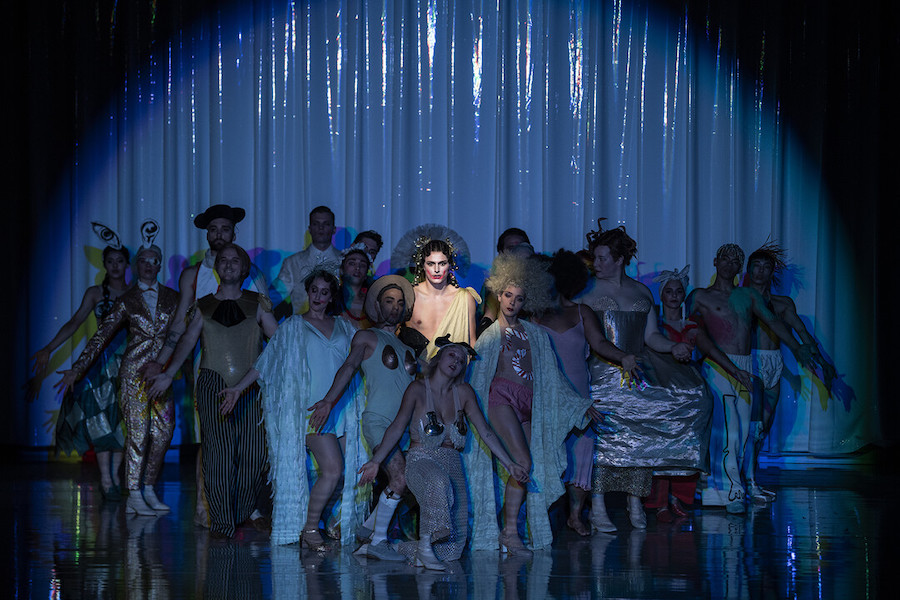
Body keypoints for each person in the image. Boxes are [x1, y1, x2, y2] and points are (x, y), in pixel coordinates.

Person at [139, 203, 268, 528]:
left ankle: (244, 504)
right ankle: (205, 504)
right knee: (211, 438)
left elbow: (267, 325)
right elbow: (181, 326)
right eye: (213, 229)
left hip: (250, 363)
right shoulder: (194, 275)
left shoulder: (252, 274)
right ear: (207, 234)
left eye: (225, 228)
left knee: (249, 440)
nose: (219, 234)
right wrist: (163, 365)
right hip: (208, 362)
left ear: (234, 233)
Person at [358, 337, 529, 570]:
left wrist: (511, 465)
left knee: (450, 552)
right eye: (452, 355)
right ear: (438, 359)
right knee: (438, 482)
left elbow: (486, 432)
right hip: (421, 461)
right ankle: (424, 549)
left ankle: (392, 548)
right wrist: (376, 461)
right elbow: (397, 427)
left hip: (452, 466)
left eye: (461, 360)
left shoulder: (464, 393)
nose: (456, 361)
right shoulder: (417, 389)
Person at [576, 220, 700, 532]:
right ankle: (598, 505)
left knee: (643, 431)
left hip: (636, 372)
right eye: (595, 257)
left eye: (602, 258)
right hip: (600, 373)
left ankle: (635, 500)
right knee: (604, 438)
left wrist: (674, 347)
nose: (596, 263)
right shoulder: (586, 291)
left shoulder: (641, 292)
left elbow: (652, 337)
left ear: (619, 260)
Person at [469, 253, 597, 553]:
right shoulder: (489, 337)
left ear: (528, 301)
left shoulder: (536, 334)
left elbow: (553, 378)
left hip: (529, 405)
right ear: (498, 295)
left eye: (519, 298)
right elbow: (478, 379)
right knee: (523, 462)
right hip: (501, 399)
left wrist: (580, 405)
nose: (512, 303)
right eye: (508, 295)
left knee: (528, 466)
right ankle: (510, 532)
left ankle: (510, 530)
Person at [56, 223, 178, 516]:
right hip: (134, 373)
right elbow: (100, 337)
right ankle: (133, 492)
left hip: (161, 374)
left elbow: (183, 334)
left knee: (163, 433)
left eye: (153, 260)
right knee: (137, 433)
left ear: (159, 264)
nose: (148, 265)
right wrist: (77, 369)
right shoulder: (126, 300)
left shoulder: (173, 298)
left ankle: (149, 487)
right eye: (143, 260)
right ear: (136, 266)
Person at [687, 243, 816, 513]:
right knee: (730, 429)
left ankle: (731, 486)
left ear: (740, 267)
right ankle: (731, 490)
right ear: (715, 261)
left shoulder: (748, 296)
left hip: (746, 366)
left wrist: (797, 348)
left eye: (735, 260)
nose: (729, 264)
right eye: (725, 259)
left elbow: (773, 322)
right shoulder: (700, 296)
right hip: (718, 366)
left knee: (746, 432)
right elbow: (685, 329)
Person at [308, 274, 418, 560]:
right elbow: (348, 367)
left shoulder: (408, 348)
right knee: (399, 477)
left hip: (405, 427)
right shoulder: (367, 337)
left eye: (400, 302)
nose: (395, 307)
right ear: (377, 306)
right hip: (379, 421)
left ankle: (368, 529)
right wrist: (328, 401)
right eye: (389, 301)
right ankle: (376, 543)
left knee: (409, 479)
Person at [532, 249, 640, 535]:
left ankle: (576, 515)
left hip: (580, 398)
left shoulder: (582, 312)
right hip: (548, 397)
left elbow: (600, 344)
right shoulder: (533, 317)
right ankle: (543, 515)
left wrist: (623, 357)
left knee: (581, 454)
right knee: (549, 455)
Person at [28, 223, 131, 500]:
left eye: (120, 261)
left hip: (128, 362)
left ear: (127, 264)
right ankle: (106, 479)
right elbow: (74, 323)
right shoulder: (95, 293)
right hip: (100, 363)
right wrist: (48, 348)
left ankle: (116, 476)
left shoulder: (136, 292)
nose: (115, 265)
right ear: (104, 265)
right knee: (100, 420)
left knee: (124, 422)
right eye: (110, 261)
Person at [742, 242, 834, 502]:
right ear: (748, 269)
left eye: (766, 267)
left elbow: (802, 333)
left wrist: (823, 363)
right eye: (756, 266)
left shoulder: (782, 304)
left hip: (774, 363)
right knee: (751, 427)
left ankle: (751, 479)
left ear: (772, 272)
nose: (760, 271)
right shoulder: (740, 299)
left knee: (763, 428)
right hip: (750, 362)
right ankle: (744, 482)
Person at [641, 266, 716, 522]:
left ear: (684, 295)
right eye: (669, 291)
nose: (674, 296)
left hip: (688, 389)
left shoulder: (693, 323)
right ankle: (659, 501)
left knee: (687, 443)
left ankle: (679, 497)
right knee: (660, 444)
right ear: (661, 294)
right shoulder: (654, 324)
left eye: (679, 291)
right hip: (661, 388)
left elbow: (707, 349)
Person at [391, 225, 480, 359]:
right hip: (415, 369)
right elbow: (392, 335)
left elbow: (471, 342)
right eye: (431, 263)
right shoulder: (410, 295)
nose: (437, 269)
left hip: (454, 368)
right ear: (423, 265)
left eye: (442, 263)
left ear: (450, 265)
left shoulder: (464, 298)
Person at [273, 206, 342, 315]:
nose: (321, 228)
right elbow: (274, 297)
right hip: (301, 323)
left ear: (334, 229)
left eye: (326, 224)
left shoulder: (345, 261)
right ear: (310, 229)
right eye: (316, 224)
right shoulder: (292, 263)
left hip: (337, 323)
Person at [478, 228, 534, 336]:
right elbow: (488, 316)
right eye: (511, 248)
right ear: (501, 254)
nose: (516, 253)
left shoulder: (541, 285)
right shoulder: (493, 285)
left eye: (521, 246)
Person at [339, 243, 373, 329]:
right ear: (342, 270)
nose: (357, 268)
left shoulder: (373, 301)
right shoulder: (331, 299)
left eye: (362, 265)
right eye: (352, 263)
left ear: (366, 274)